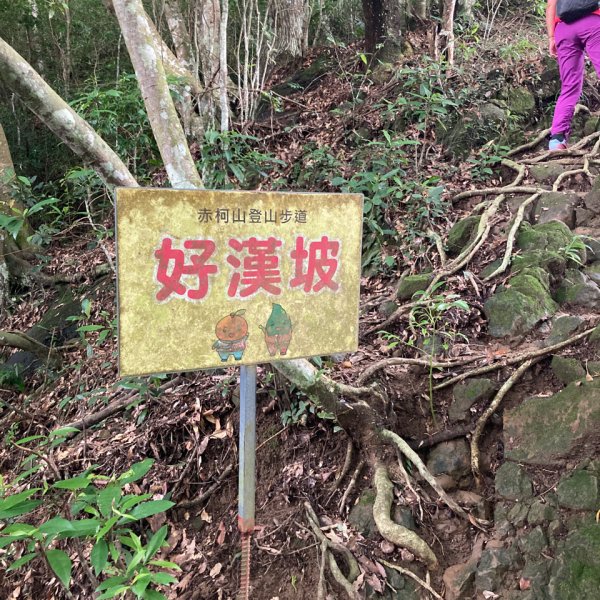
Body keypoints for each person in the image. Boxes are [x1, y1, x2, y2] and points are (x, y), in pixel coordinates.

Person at [546, 0, 600, 150]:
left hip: (564, 29)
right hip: (593, 21)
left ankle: (556, 140)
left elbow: (551, 5)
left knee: (569, 86)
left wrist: (551, 38)